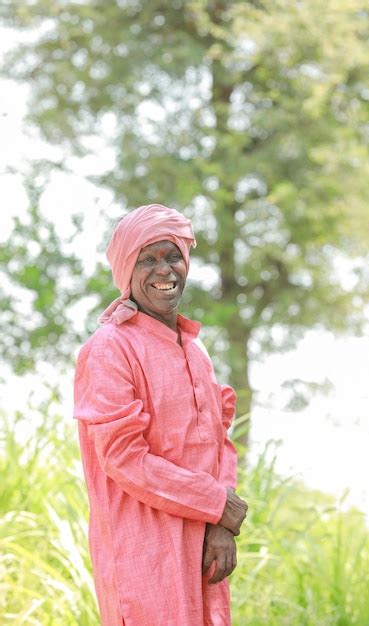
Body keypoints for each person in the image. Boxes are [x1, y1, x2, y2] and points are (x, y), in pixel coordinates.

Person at [73, 203, 248, 626]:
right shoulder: (110, 348)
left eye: (172, 256)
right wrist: (216, 504)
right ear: (126, 271)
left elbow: (218, 440)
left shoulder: (195, 348)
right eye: (147, 260)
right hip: (144, 552)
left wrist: (221, 524)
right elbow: (124, 458)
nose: (164, 271)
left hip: (205, 549)